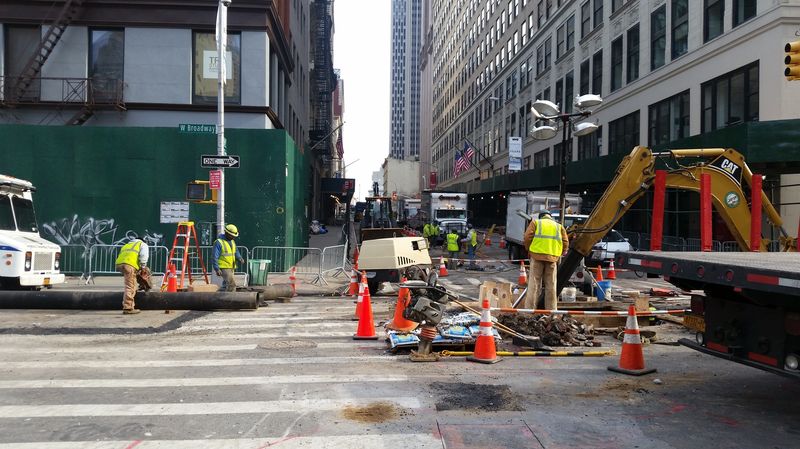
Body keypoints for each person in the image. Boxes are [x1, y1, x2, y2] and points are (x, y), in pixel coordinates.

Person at [522, 211, 569, 311]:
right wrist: (560, 253)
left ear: (541, 216)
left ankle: (529, 311)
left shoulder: (536, 223)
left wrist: (529, 249)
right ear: (550, 217)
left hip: (536, 257)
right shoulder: (558, 226)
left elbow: (527, 237)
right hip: (552, 259)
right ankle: (551, 311)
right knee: (551, 286)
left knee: (534, 285)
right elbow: (565, 242)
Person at [115, 238, 151, 315]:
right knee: (130, 286)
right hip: (129, 265)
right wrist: (143, 267)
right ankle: (128, 308)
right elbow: (144, 255)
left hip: (120, 264)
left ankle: (141, 285)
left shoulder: (127, 245)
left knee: (131, 282)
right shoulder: (142, 244)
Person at [213, 223, 245, 292]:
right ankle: (232, 300)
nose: (233, 237)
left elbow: (236, 251)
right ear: (227, 233)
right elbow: (215, 256)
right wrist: (217, 268)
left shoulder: (232, 241)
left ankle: (218, 298)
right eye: (232, 235)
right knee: (231, 285)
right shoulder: (218, 242)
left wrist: (239, 258)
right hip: (224, 267)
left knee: (225, 286)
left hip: (231, 266)